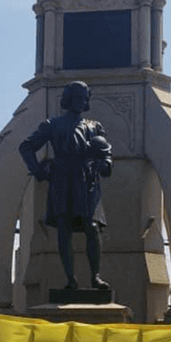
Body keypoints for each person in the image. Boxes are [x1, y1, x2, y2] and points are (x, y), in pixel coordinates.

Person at [19, 81, 113, 290]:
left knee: (92, 227)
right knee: (64, 229)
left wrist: (104, 164)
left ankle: (95, 277)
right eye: (78, 97)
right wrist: (37, 170)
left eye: (85, 97)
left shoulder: (94, 126)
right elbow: (26, 147)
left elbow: (106, 153)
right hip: (62, 179)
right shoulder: (52, 125)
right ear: (68, 98)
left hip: (87, 180)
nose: (82, 101)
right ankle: (70, 279)